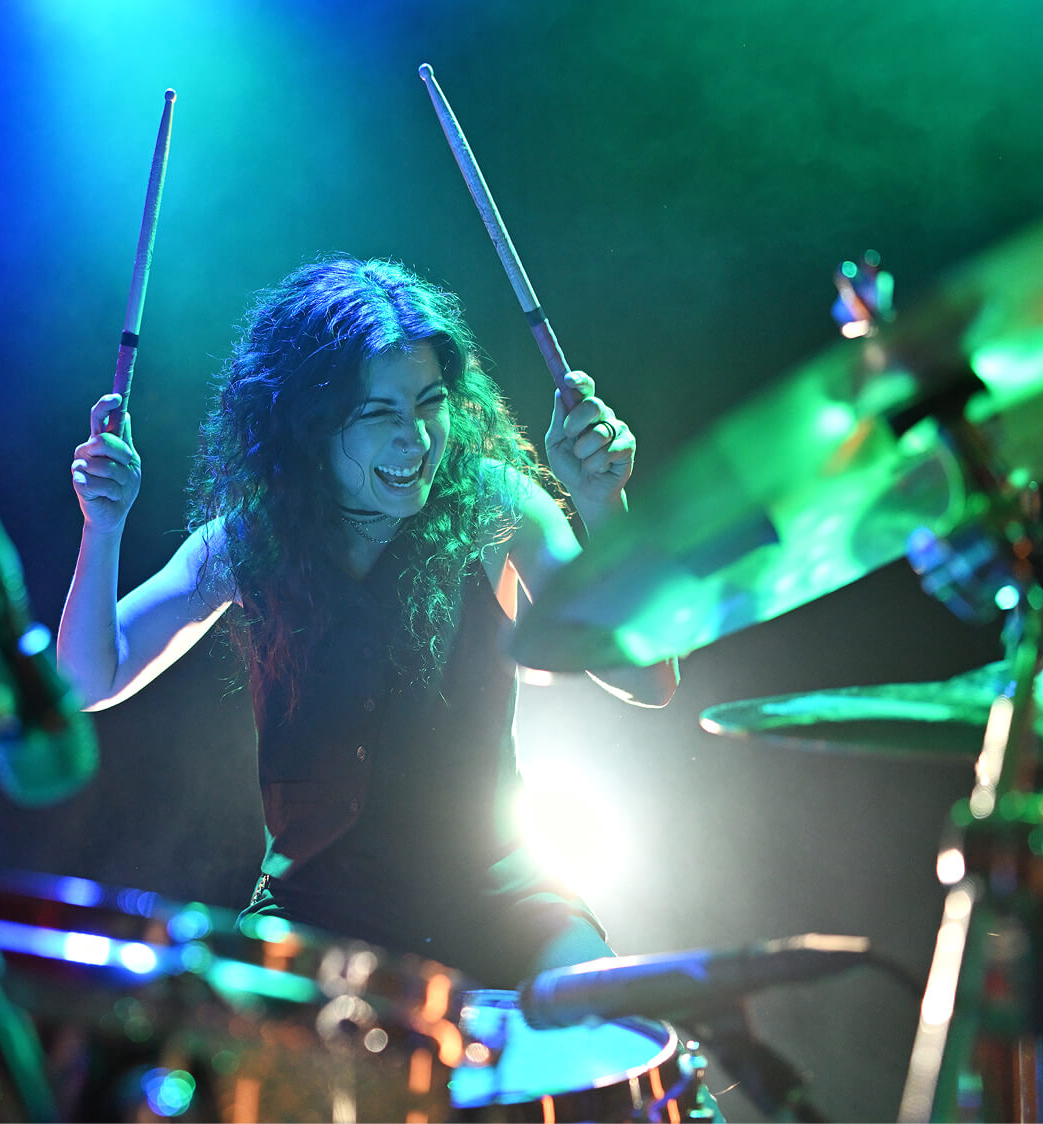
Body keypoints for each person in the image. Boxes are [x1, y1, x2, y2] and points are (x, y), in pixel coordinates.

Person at [57, 256, 679, 990]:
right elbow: (87, 678)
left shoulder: (495, 508)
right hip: (314, 907)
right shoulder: (247, 542)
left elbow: (647, 678)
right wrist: (103, 527)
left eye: (429, 402)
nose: (415, 438)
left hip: (500, 896)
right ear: (311, 423)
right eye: (380, 413)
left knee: (623, 1033)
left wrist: (603, 506)